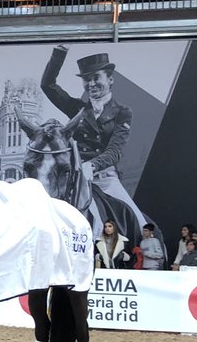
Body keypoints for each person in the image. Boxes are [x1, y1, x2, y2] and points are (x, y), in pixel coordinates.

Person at [40, 46, 147, 235]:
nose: (91, 84)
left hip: (105, 179)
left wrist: (93, 166)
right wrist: (60, 51)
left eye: (96, 78)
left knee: (139, 224)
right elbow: (48, 85)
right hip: (76, 178)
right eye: (87, 80)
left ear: (110, 79)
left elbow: (115, 151)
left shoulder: (123, 112)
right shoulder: (77, 108)